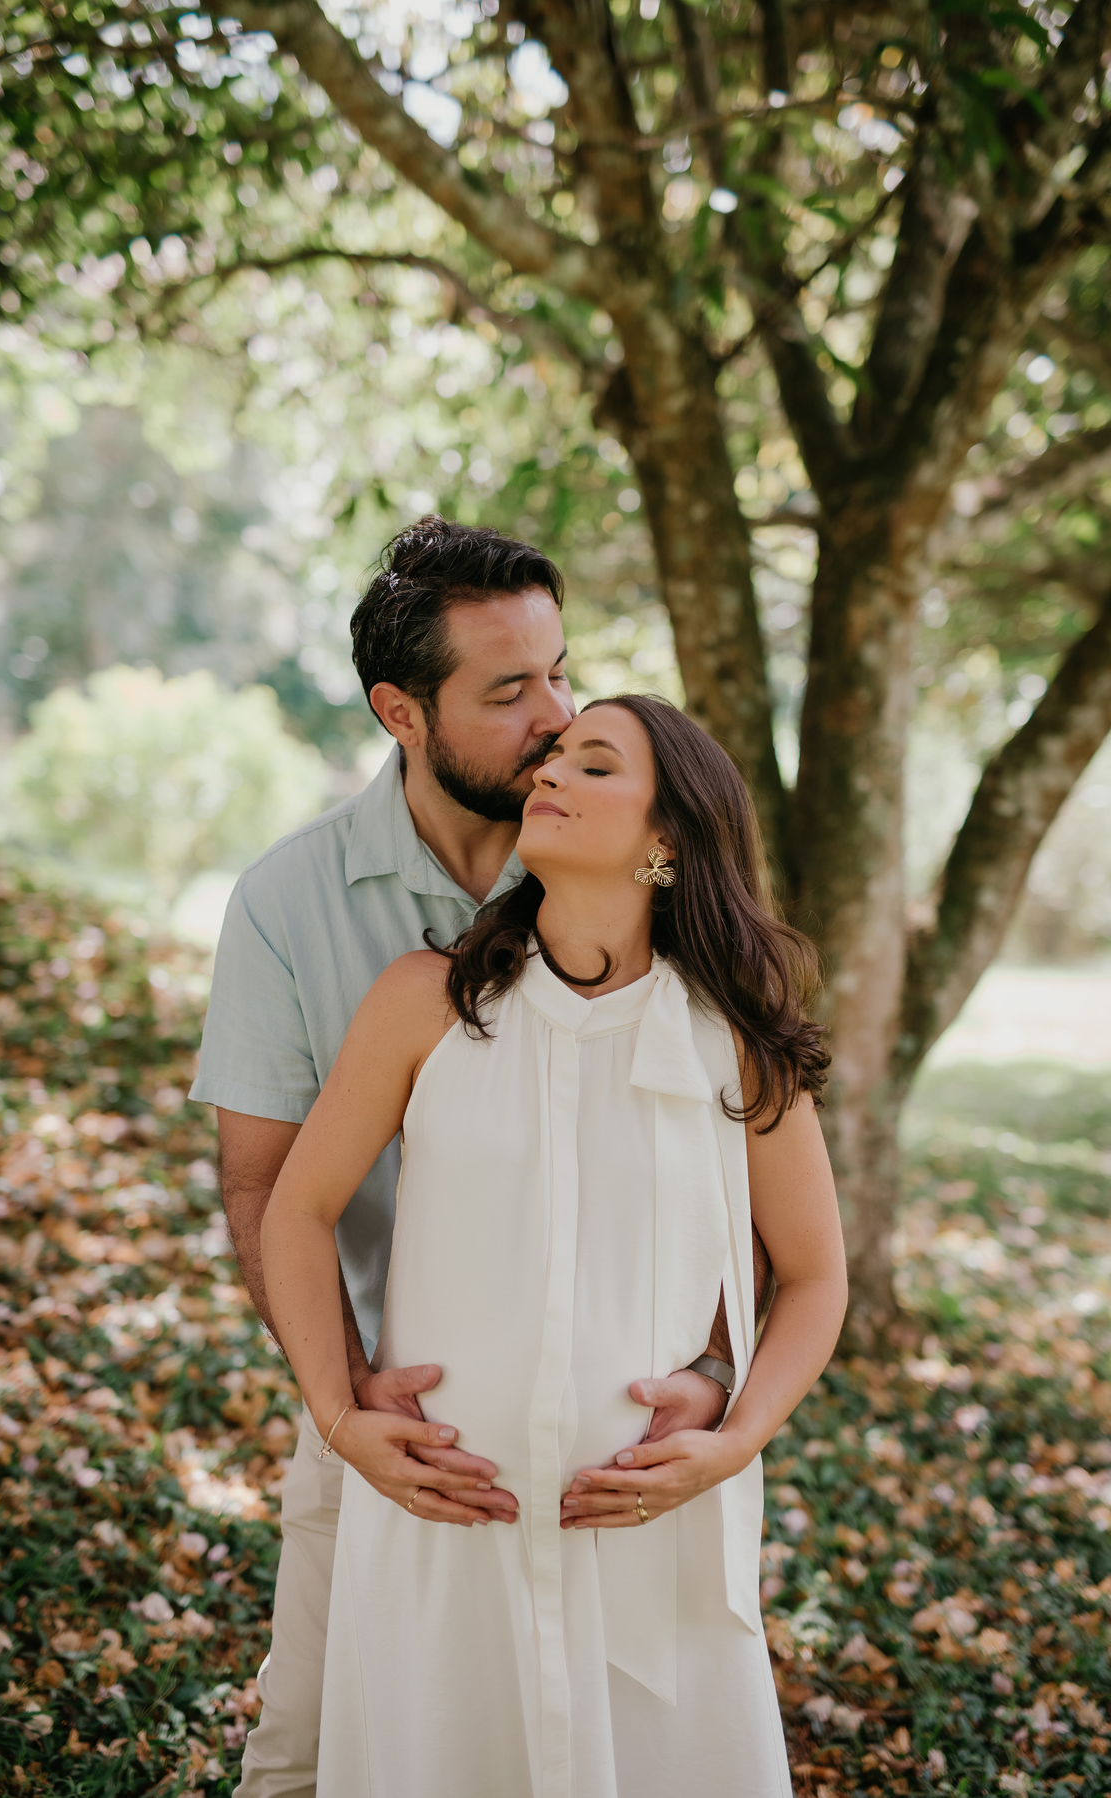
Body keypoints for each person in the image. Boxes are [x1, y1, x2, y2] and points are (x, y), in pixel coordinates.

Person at [189, 520, 762, 1795]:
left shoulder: (614, 854)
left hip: (611, 1443)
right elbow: (266, 1188)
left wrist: (720, 1365)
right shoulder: (289, 903)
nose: (555, 719)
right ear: (402, 711)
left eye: (561, 672)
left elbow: (727, 1159)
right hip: (395, 1413)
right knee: (317, 1749)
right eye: (509, 692)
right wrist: (344, 1405)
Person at [262, 693, 848, 1797]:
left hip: (644, 1534)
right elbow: (295, 1212)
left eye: (594, 763)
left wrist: (735, 1441)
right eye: (552, 760)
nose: (549, 774)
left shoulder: (735, 1039)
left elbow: (815, 1276)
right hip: (445, 1523)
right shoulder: (427, 1002)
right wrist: (340, 1418)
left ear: (668, 835)